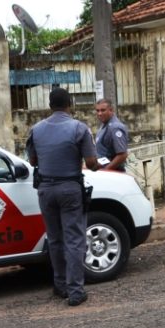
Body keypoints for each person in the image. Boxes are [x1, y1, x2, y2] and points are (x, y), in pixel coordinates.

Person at [28, 87, 99, 307]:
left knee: (55, 238)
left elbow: (32, 162)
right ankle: (75, 291)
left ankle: (59, 286)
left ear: (50, 105)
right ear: (70, 104)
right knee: (75, 239)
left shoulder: (36, 129)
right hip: (70, 188)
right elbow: (91, 163)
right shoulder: (79, 128)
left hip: (46, 190)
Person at [94, 98, 129, 171]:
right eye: (97, 111)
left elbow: (122, 155)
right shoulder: (104, 125)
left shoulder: (115, 128)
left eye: (103, 110)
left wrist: (106, 170)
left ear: (111, 110)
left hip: (114, 174)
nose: (99, 113)